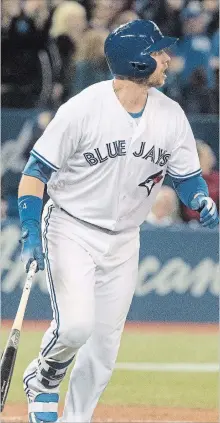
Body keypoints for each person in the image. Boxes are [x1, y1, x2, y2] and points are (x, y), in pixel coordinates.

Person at [17, 20, 219, 423]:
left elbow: (185, 173)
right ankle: (43, 376)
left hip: (125, 238)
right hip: (71, 227)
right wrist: (29, 229)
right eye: (159, 51)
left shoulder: (170, 114)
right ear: (139, 61)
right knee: (75, 328)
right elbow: (34, 172)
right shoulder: (83, 109)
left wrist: (198, 196)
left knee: (103, 350)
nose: (167, 59)